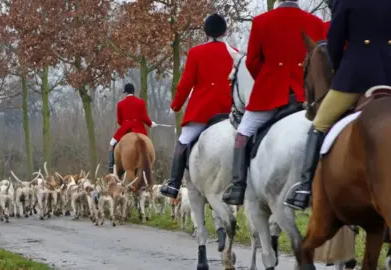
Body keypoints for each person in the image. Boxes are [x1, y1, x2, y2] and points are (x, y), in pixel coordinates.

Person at [285, 0, 391, 210]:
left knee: (320, 124)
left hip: (355, 75)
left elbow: (335, 40)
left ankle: (305, 188)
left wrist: (341, 67)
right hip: (388, 73)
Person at [222, 0, 325, 205]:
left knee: (243, 132)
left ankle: (238, 187)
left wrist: (267, 80)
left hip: (272, 94)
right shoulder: (315, 22)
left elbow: (252, 61)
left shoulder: (261, 21)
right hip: (307, 95)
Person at [159, 13, 235, 199]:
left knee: (184, 141)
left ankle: (174, 184)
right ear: (224, 31)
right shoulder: (235, 52)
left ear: (206, 32)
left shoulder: (196, 52)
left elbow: (186, 83)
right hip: (229, 111)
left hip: (203, 111)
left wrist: (176, 105)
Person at [107, 83, 156, 173]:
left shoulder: (120, 104)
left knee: (111, 144)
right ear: (134, 91)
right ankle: (150, 168)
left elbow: (119, 121)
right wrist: (151, 124)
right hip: (140, 129)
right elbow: (144, 118)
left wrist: (126, 123)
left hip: (125, 130)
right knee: (147, 143)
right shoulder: (141, 102)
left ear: (126, 92)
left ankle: (110, 167)